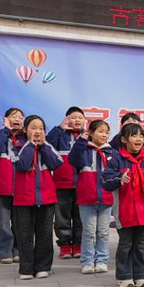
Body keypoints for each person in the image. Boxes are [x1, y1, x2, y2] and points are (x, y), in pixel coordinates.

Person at [102, 122, 144, 287]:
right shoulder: (116, 159)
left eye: (140, 135)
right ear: (124, 139)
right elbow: (105, 180)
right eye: (134, 135)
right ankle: (124, 276)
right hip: (125, 211)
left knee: (141, 244)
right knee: (125, 244)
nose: (138, 139)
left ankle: (140, 275)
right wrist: (119, 179)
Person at [12, 115, 63, 280]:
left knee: (44, 234)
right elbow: (22, 164)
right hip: (24, 198)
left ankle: (43, 266)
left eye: (41, 128)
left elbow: (56, 163)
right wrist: (31, 145)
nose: (37, 131)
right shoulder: (18, 146)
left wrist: (43, 146)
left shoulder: (47, 146)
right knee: (24, 234)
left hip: (46, 198)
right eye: (33, 128)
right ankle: (26, 269)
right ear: (25, 130)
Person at [69, 119, 115, 275]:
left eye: (106, 132)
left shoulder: (112, 152)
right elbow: (73, 159)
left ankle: (102, 260)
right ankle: (87, 261)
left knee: (103, 232)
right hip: (87, 199)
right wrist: (82, 141)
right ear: (91, 133)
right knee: (88, 232)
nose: (104, 135)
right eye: (100, 131)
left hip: (106, 199)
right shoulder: (84, 150)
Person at [0, 108, 25, 264]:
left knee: (20, 222)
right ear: (6, 119)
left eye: (20, 117)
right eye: (13, 116)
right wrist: (5, 130)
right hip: (1, 186)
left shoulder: (26, 137)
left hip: (22, 187)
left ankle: (18, 251)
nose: (17, 119)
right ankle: (4, 252)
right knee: (2, 223)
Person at [49, 107, 86, 259]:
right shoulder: (59, 135)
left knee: (80, 216)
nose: (76, 120)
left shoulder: (88, 136)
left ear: (85, 121)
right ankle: (64, 245)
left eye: (80, 117)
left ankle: (78, 245)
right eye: (73, 117)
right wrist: (59, 129)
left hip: (83, 184)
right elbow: (46, 144)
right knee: (62, 216)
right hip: (61, 183)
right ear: (66, 120)